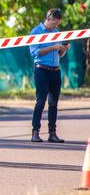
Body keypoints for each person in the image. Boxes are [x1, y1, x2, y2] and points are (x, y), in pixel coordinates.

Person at [29, 8, 69, 143]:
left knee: (54, 103)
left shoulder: (57, 33)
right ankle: (35, 132)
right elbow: (35, 52)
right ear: (49, 18)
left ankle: (52, 133)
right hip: (42, 70)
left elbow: (59, 54)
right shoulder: (36, 32)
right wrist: (53, 47)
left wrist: (64, 49)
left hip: (55, 71)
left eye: (58, 24)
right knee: (40, 101)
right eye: (55, 23)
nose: (56, 26)